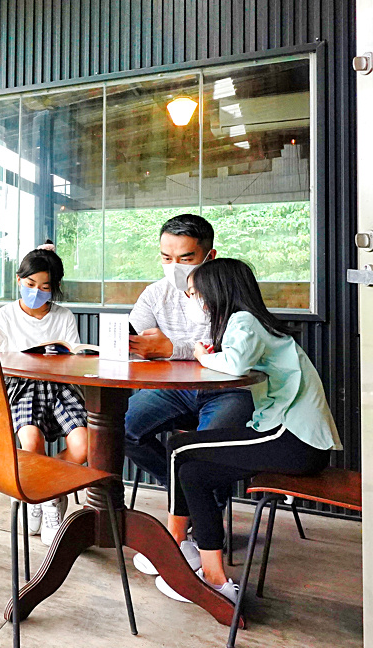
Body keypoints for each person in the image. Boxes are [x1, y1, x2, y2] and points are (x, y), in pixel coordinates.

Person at [155, 258, 341, 603]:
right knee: (192, 470)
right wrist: (217, 354)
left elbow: (236, 364)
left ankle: (173, 545)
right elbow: (238, 360)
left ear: (217, 290)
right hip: (290, 437)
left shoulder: (244, 320)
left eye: (197, 293)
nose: (197, 300)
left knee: (179, 447)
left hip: (293, 438)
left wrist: (201, 355)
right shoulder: (252, 323)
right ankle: (213, 574)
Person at [124, 214, 256, 576]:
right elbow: (139, 340)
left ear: (209, 256)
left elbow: (232, 352)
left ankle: (200, 526)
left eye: (185, 259)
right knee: (123, 429)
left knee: (206, 454)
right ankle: (192, 500)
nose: (174, 268)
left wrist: (173, 346)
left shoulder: (229, 290)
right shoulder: (155, 293)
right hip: (173, 390)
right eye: (166, 258)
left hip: (228, 389)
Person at [0, 244, 88, 545]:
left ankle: (50, 493)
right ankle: (41, 502)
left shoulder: (63, 316)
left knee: (84, 444)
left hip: (60, 387)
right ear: (19, 280)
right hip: (22, 386)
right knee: (31, 441)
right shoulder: (6, 315)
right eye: (30, 284)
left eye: (45, 287)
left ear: (55, 288)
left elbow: (73, 356)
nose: (37, 291)